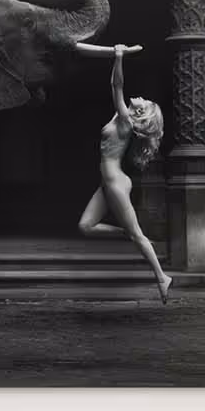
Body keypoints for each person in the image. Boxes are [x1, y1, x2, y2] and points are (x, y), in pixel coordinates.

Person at [77, 45, 171, 302]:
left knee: (138, 235)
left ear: (140, 112)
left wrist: (118, 57)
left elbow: (116, 85)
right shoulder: (123, 117)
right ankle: (125, 231)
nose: (141, 97)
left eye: (146, 102)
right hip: (108, 182)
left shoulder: (125, 120)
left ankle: (162, 278)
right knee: (86, 226)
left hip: (116, 183)